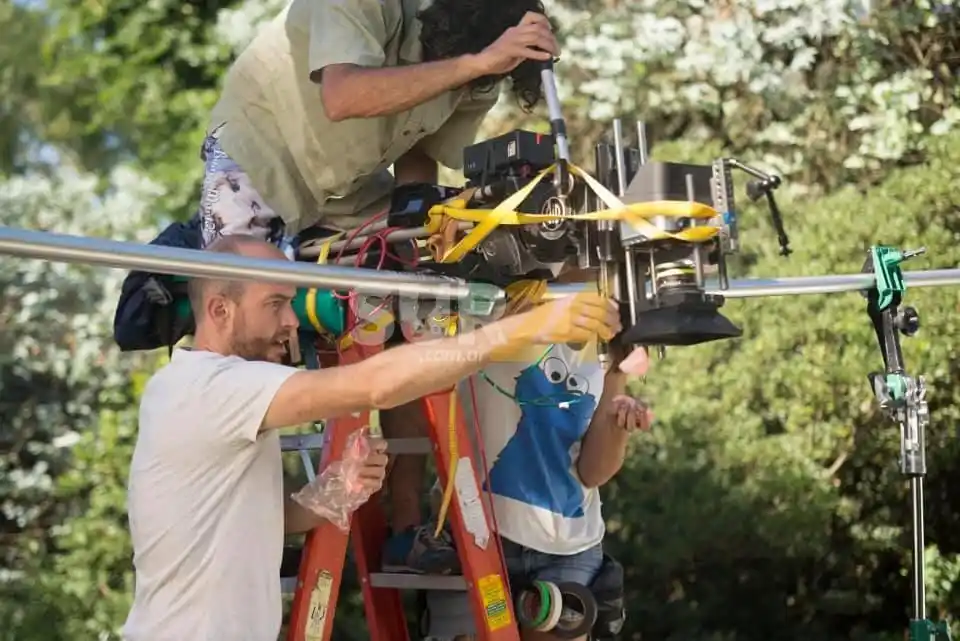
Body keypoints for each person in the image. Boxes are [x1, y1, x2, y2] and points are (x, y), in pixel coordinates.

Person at [195, 0, 561, 575]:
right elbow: (345, 96)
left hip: (348, 190)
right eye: (482, 65)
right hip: (260, 161)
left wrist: (415, 226)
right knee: (245, 333)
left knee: (418, 307)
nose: (483, 81)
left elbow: (422, 145)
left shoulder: (481, 60)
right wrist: (476, 62)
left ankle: (407, 528)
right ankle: (253, 521)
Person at [121, 236, 622, 641]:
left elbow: (261, 521)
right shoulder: (207, 389)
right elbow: (372, 385)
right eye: (276, 304)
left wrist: (334, 492)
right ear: (219, 310)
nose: (293, 320)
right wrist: (514, 333)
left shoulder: (216, 397)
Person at [422, 266, 655, 641]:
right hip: (477, 533)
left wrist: (619, 427)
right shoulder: (505, 296)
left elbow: (593, 472)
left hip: (568, 548)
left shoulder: (611, 334)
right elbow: (424, 376)